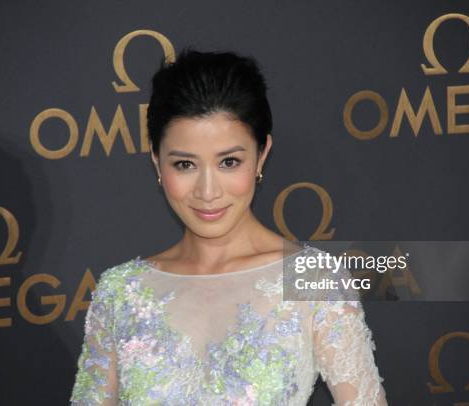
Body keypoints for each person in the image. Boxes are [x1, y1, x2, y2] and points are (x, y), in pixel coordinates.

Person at [70, 48, 387, 405]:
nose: (208, 192)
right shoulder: (120, 293)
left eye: (229, 161)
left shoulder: (314, 280)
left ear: (261, 155)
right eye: (185, 165)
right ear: (157, 161)